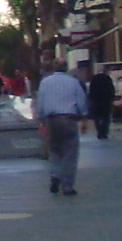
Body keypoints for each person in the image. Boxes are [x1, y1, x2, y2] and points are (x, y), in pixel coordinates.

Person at [36, 56, 91, 196]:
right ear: (66, 68)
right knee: (70, 151)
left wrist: (42, 121)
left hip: (52, 119)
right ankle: (67, 185)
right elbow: (81, 101)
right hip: (69, 119)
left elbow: (40, 103)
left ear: (54, 67)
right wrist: (84, 118)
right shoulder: (73, 82)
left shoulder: (45, 82)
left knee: (54, 149)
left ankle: (55, 174)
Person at [88, 65, 118, 141]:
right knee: (106, 117)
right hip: (106, 101)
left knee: (97, 117)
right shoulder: (107, 78)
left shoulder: (94, 78)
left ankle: (99, 131)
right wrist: (111, 98)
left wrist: (91, 100)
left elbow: (91, 91)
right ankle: (104, 132)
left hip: (96, 101)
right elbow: (111, 89)